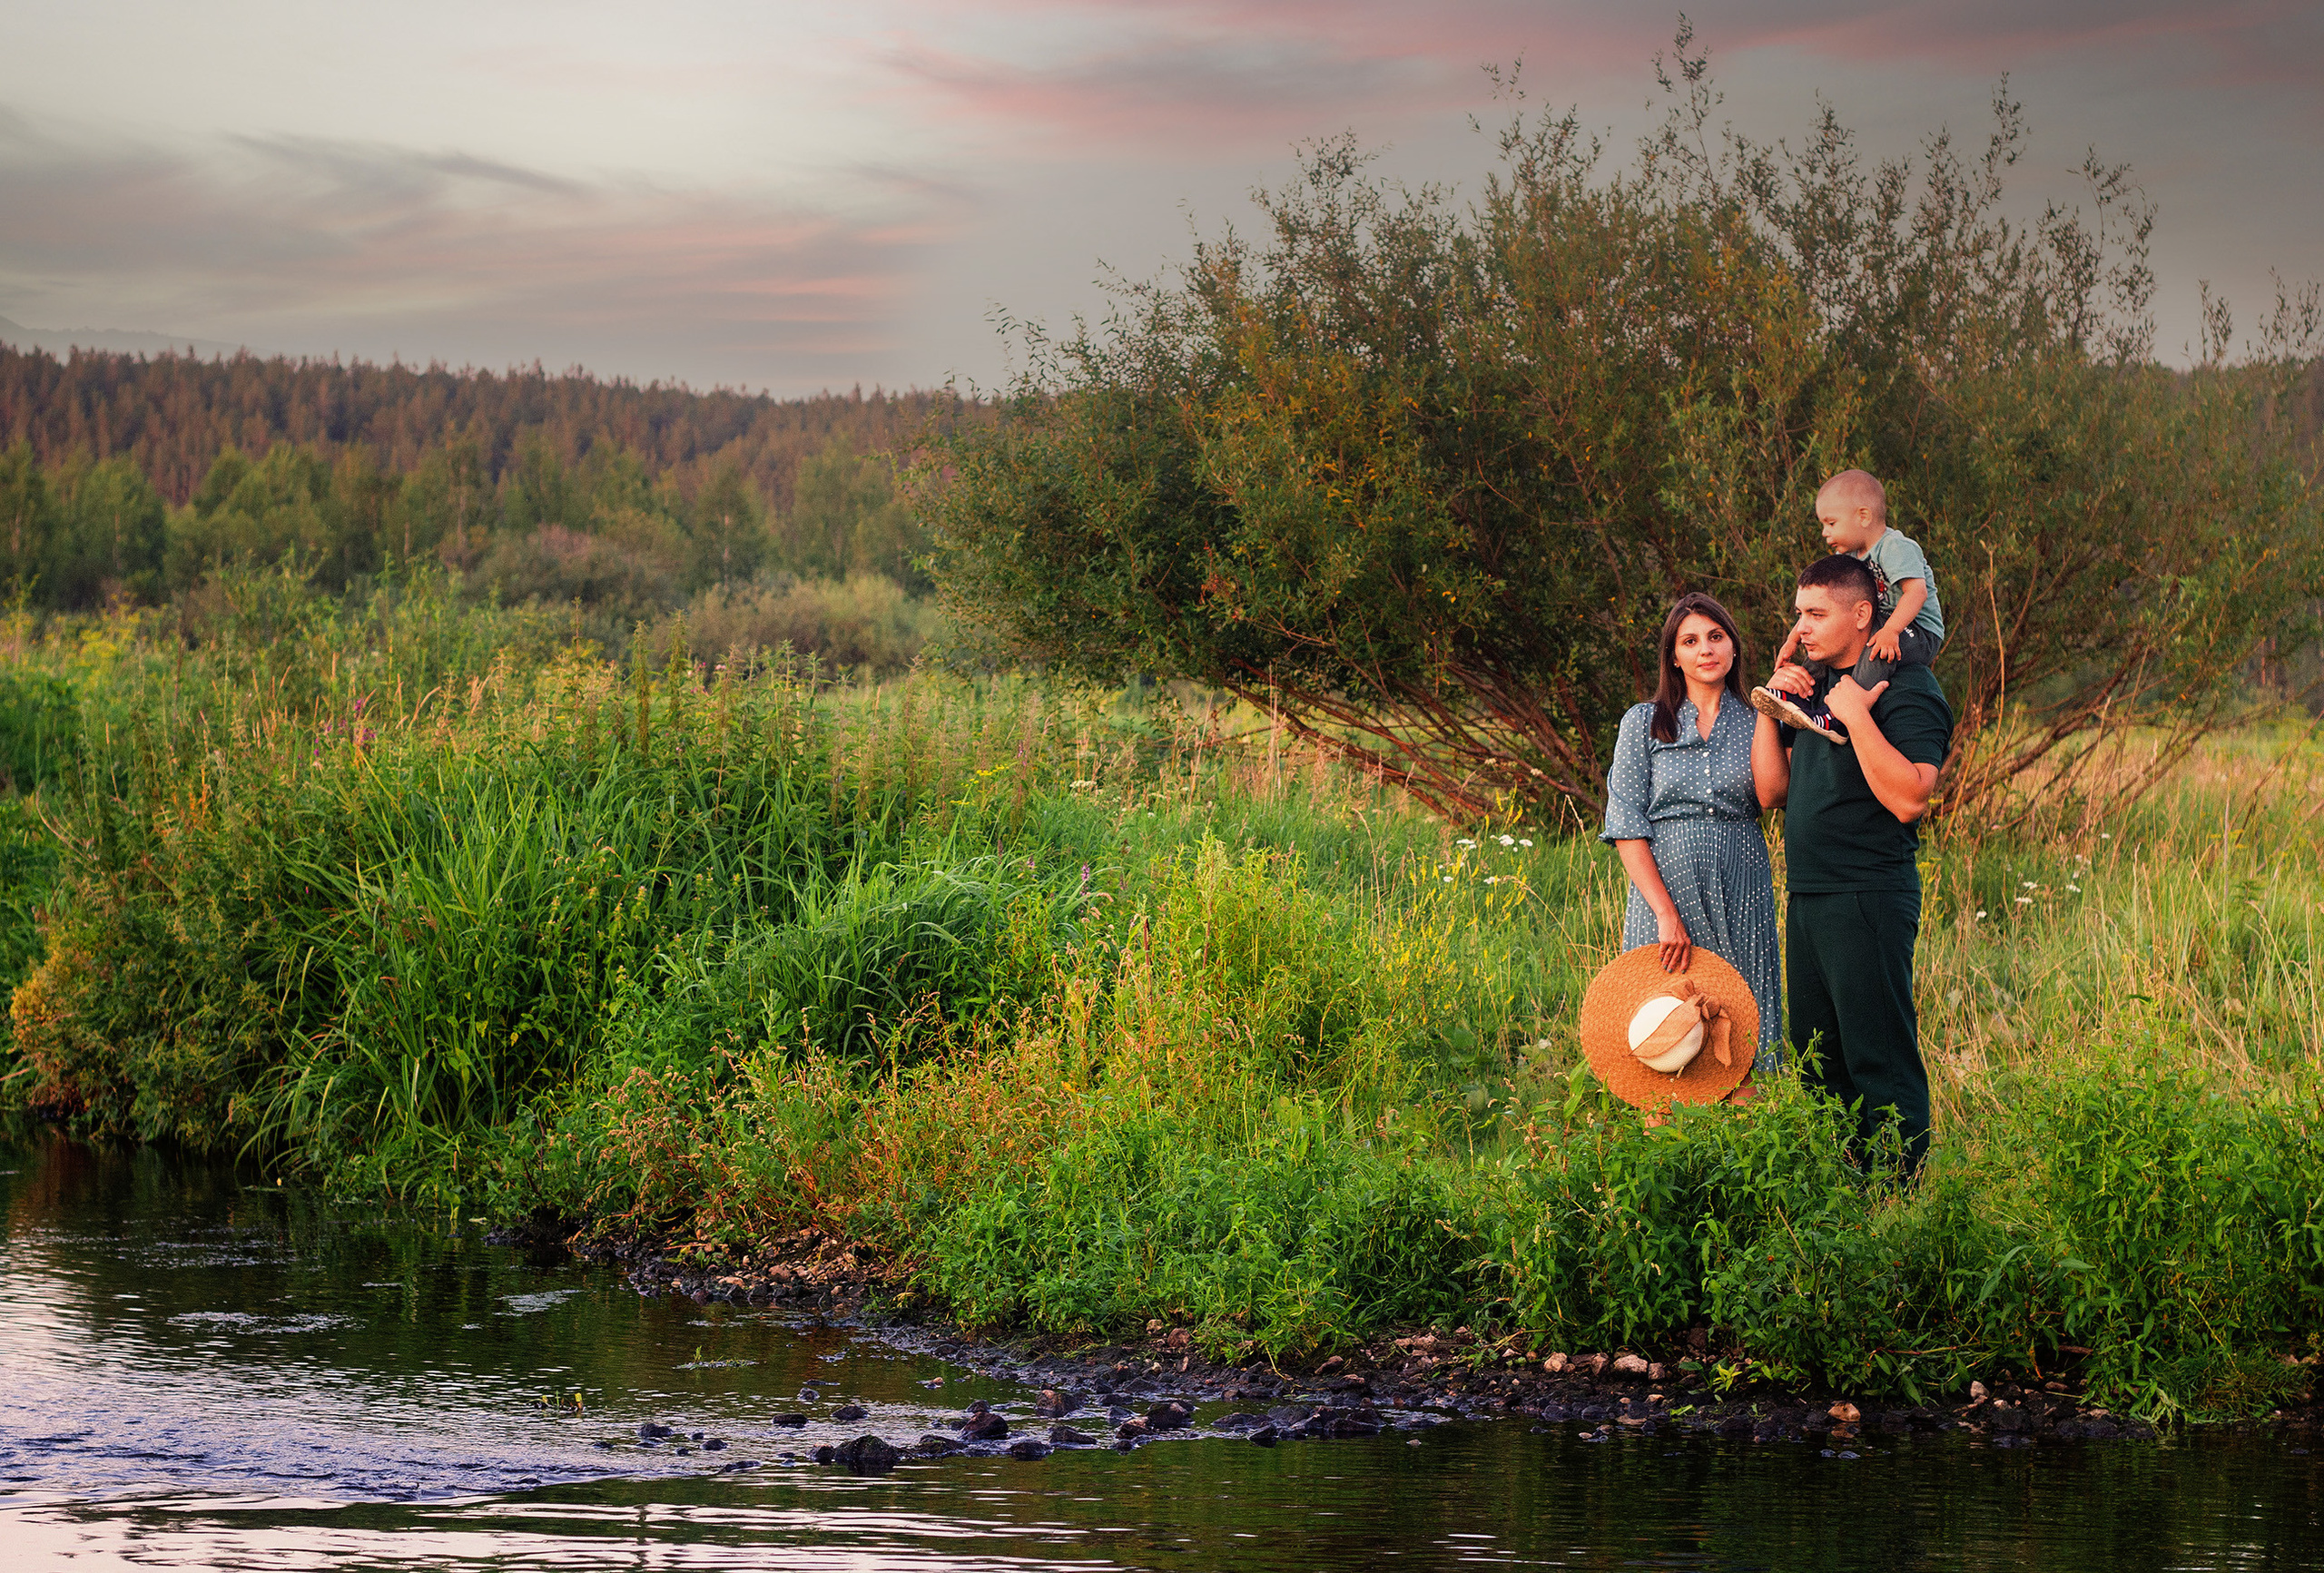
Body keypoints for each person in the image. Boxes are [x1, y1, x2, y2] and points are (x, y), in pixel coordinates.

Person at [1752, 555, 1955, 1172]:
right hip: (1809, 896)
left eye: (1816, 613)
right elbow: (1770, 792)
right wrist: (1772, 704)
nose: (1802, 626)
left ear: (1863, 613)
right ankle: (1846, 1198)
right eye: (1798, 613)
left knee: (1879, 1058)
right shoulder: (1813, 685)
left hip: (1868, 892)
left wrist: (1859, 714)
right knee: (1819, 1058)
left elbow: (1910, 796)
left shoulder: (1908, 687)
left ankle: (1898, 1205)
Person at [1600, 592, 1783, 1067]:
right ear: (1674, 657)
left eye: (1716, 637)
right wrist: (1664, 913)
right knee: (1661, 1020)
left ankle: (1749, 1132)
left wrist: (1770, 708)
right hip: (1664, 893)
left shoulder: (1759, 721)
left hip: (1741, 884)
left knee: (1744, 1018)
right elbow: (1626, 826)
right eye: (1690, 640)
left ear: (1734, 647)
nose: (1706, 649)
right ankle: (1661, 1136)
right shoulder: (1644, 723)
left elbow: (1772, 797)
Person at [1754, 469, 1945, 742]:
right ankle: (1798, 693)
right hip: (1881, 623)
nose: (1824, 532)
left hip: (1918, 630)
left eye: (1831, 523)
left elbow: (1916, 593)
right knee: (1823, 644)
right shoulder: (1852, 555)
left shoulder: (1895, 547)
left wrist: (1891, 631)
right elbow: (1822, 603)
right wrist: (1792, 640)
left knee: (1878, 649)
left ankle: (1838, 718)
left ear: (1863, 517)